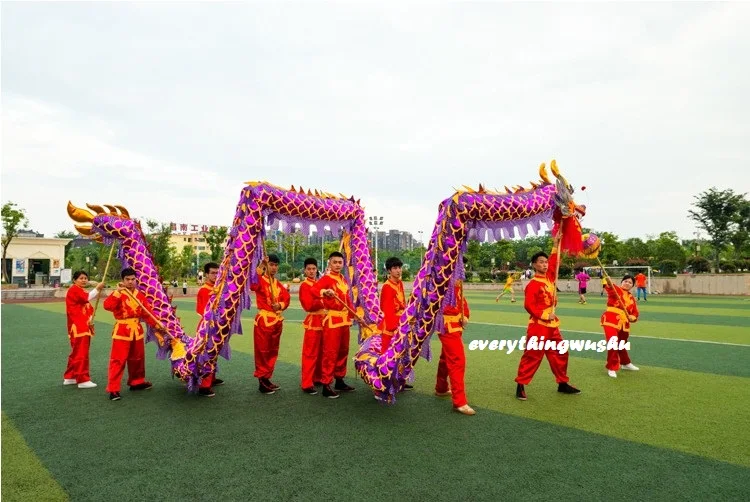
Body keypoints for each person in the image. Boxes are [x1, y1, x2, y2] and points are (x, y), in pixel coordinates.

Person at [515, 237, 581, 400]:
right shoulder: (533, 284)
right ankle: (521, 385)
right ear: (534, 265)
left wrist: (556, 244)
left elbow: (555, 261)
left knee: (561, 352)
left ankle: (562, 383)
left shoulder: (550, 278)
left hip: (552, 326)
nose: (545, 264)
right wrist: (545, 315)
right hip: (538, 325)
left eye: (546, 262)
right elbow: (529, 305)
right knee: (532, 355)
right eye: (541, 262)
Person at [103, 268, 165, 401]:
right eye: (127, 279)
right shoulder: (118, 293)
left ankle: (136, 382)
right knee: (118, 360)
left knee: (138, 359)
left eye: (133, 279)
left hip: (137, 331)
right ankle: (113, 389)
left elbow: (147, 313)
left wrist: (157, 324)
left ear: (136, 280)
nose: (130, 282)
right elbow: (107, 306)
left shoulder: (139, 295)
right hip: (122, 331)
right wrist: (117, 293)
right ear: (123, 280)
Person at [309, 251, 357, 399]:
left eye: (340, 262)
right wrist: (325, 291)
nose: (337, 265)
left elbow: (348, 300)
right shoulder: (326, 279)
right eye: (334, 262)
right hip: (332, 321)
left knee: (343, 351)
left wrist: (354, 314)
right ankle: (326, 384)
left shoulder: (343, 279)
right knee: (330, 352)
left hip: (344, 321)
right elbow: (314, 290)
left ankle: (339, 379)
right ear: (329, 263)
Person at [434, 257, 475, 415]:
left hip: (456, 326)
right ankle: (459, 402)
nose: (461, 268)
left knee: (446, 358)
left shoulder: (457, 283)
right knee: (458, 360)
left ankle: (441, 387)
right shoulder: (442, 281)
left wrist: (466, 316)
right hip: (446, 326)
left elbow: (462, 302)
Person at [250, 254, 290, 395]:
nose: (273, 268)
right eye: (271, 265)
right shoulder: (261, 280)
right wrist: (261, 265)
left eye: (275, 265)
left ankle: (267, 377)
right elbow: (252, 284)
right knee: (262, 351)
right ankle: (261, 380)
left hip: (277, 321)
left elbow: (287, 298)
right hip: (264, 321)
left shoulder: (277, 283)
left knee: (273, 351)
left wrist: (279, 305)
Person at [64, 271, 105, 389]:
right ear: (74, 280)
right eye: (81, 278)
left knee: (76, 353)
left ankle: (70, 376)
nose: (84, 280)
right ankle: (82, 379)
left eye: (85, 278)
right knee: (81, 353)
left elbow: (87, 307)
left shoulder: (80, 290)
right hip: (79, 327)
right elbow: (87, 298)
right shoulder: (74, 290)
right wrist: (97, 288)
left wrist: (91, 318)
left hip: (82, 326)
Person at [378, 257, 414, 391]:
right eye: (395, 268)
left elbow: (403, 304)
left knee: (402, 354)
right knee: (388, 354)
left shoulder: (399, 284)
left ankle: (399, 380)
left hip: (401, 324)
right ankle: (384, 383)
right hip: (391, 327)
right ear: (389, 271)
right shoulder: (387, 287)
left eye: (399, 267)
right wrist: (396, 328)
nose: (398, 271)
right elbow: (387, 310)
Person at [601, 274, 640, 378]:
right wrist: (608, 281)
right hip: (611, 319)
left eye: (630, 282)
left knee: (622, 343)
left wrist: (633, 317)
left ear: (632, 286)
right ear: (622, 282)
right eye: (625, 281)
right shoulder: (616, 289)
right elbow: (610, 288)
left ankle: (625, 363)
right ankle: (612, 367)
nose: (627, 283)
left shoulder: (631, 297)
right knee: (613, 341)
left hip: (624, 322)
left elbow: (635, 312)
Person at [195, 262, 224, 397]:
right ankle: (204, 385)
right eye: (212, 273)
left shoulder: (219, 288)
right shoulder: (204, 290)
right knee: (207, 354)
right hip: (207, 327)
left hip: (218, 325)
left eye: (217, 273)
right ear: (206, 274)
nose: (215, 275)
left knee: (214, 353)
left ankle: (211, 377)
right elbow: (202, 311)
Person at [298, 258, 325, 394]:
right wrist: (322, 300)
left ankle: (318, 377)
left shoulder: (319, 283)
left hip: (323, 321)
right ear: (305, 270)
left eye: (314, 269)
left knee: (321, 352)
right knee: (310, 353)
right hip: (313, 321)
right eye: (309, 269)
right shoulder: (305, 285)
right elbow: (308, 305)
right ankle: (306, 383)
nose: (311, 271)